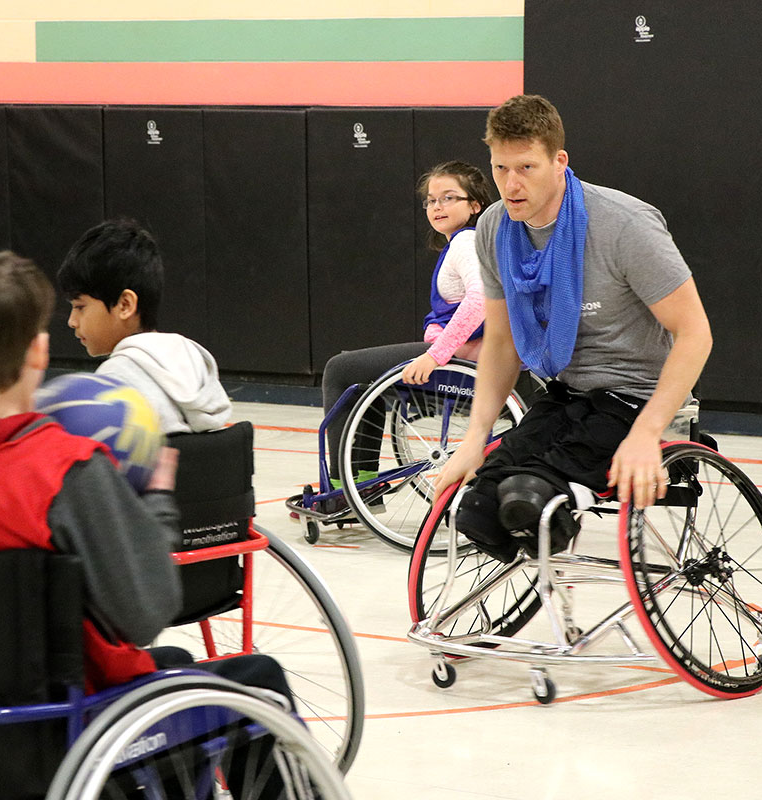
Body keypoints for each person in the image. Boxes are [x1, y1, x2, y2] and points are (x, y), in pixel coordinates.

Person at [0, 252, 294, 795]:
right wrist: (156, 501)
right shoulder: (65, 469)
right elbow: (144, 613)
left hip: (13, 730)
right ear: (38, 352)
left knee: (177, 663)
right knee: (261, 682)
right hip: (67, 733)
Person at [434, 94, 713, 563]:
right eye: (500, 169)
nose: (511, 183)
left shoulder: (624, 225)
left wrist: (648, 432)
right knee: (480, 508)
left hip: (635, 396)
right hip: (565, 394)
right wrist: (474, 438)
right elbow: (501, 342)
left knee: (530, 498)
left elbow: (695, 333)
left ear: (559, 161)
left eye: (526, 167)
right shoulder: (494, 228)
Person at [321, 160, 493, 488]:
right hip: (466, 358)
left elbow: (481, 300)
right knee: (361, 376)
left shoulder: (465, 243)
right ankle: (363, 481)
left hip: (463, 363)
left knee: (340, 369)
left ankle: (343, 486)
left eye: (448, 197)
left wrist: (436, 354)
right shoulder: (465, 242)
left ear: (474, 205)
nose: (437, 206)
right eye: (431, 199)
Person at [57, 219, 231, 434]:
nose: (72, 321)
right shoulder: (196, 361)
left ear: (125, 305)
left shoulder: (112, 384)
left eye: (80, 307)